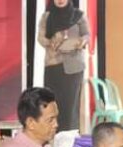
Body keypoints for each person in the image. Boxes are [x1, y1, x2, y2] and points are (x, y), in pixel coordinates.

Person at [38, 0, 89, 132]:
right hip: (53, 65)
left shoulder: (78, 15)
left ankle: (70, 137)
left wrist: (82, 42)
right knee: (52, 103)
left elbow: (86, 34)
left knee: (70, 106)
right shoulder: (47, 17)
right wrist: (51, 42)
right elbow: (40, 37)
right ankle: (53, 135)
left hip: (73, 67)